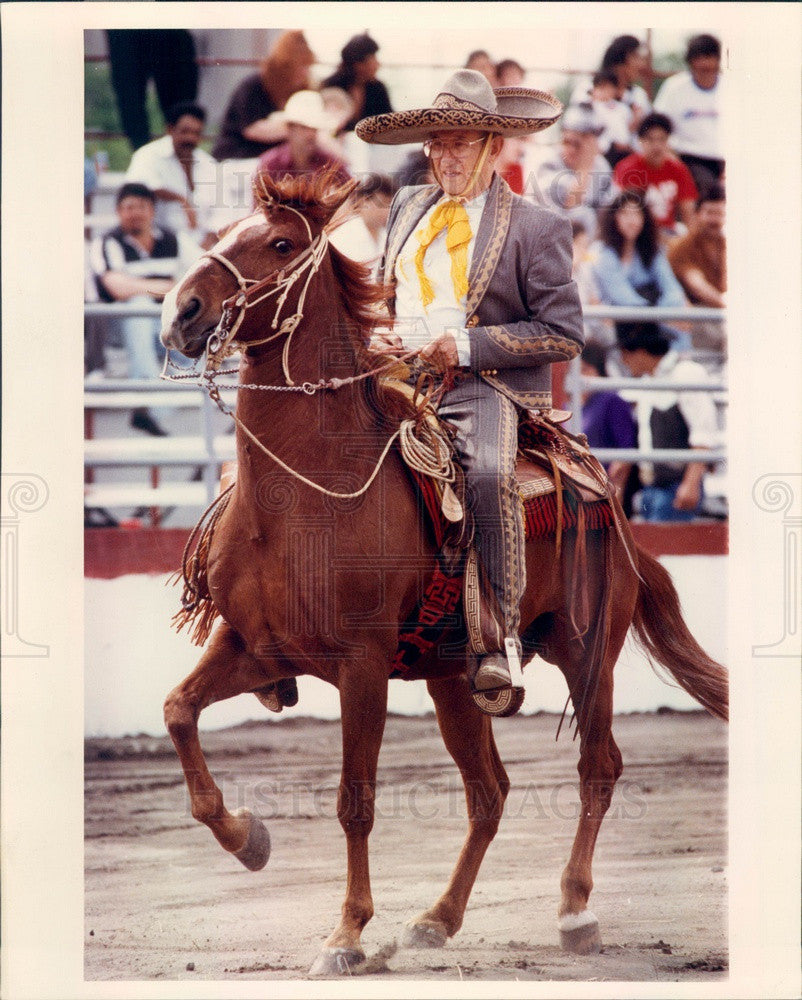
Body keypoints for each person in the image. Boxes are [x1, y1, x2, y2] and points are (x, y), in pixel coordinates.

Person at [356, 70, 584, 693]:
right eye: (436, 143)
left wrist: (460, 345)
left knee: (487, 472)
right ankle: (270, 628)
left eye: (458, 142)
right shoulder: (407, 205)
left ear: (492, 145)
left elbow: (562, 333)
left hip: (479, 384)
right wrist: (378, 330)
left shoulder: (538, 226)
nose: (444, 155)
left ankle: (497, 640)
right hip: (392, 374)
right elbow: (386, 294)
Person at [89, 183, 202, 435]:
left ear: (152, 210)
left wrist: (160, 288)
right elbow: (117, 287)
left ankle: (160, 405)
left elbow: (203, 270)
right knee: (138, 306)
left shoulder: (173, 239)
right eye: (128, 207)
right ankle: (151, 397)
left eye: (141, 206)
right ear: (118, 212)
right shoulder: (108, 242)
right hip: (117, 327)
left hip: (162, 324)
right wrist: (168, 286)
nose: (135, 212)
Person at [616, 321, 717, 521]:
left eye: (625, 354)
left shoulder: (685, 373)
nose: (623, 361)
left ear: (640, 352)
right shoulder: (649, 381)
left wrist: (691, 483)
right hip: (653, 488)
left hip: (675, 486)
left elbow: (704, 432)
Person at [125, 102, 219, 249]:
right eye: (185, 131)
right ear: (170, 129)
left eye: (196, 133)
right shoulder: (147, 155)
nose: (191, 138)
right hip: (159, 244)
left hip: (204, 246)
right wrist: (181, 199)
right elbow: (137, 190)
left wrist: (209, 240)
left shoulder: (208, 163)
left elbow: (220, 210)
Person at [212, 30, 315, 161]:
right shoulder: (253, 85)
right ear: (286, 65)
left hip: (274, 161)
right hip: (240, 157)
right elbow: (252, 130)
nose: (305, 73)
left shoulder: (300, 90)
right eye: (302, 66)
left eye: (308, 66)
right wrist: (297, 128)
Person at [653, 34, 724, 197]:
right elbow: (659, 125)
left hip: (726, 160)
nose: (705, 64)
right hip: (688, 159)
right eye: (699, 59)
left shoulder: (730, 88)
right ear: (691, 62)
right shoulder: (675, 87)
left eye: (710, 58)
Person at [106, 29, 198, 151]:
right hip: (127, 27)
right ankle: (143, 158)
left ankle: (178, 157)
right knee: (130, 101)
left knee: (182, 108)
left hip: (168, 26)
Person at [592, 190, 686, 309]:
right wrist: (652, 314)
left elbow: (672, 288)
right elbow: (623, 298)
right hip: (621, 319)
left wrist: (666, 309)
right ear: (613, 217)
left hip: (657, 315)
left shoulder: (652, 250)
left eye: (637, 214)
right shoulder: (604, 253)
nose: (632, 221)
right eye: (625, 214)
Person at [613, 112, 699, 236]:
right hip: (637, 235)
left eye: (662, 139)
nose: (657, 146)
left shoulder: (679, 169)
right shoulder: (628, 169)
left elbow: (689, 214)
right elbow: (622, 214)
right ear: (640, 141)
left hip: (668, 233)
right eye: (651, 140)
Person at [535, 102, 613, 239]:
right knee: (582, 213)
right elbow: (570, 203)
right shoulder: (549, 162)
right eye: (567, 142)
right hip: (548, 240)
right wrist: (586, 165)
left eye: (577, 144)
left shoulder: (601, 166)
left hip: (587, 247)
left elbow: (608, 214)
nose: (571, 149)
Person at [579, 341, 639, 514]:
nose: (580, 377)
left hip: (605, 494)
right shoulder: (577, 403)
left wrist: (615, 494)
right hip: (583, 491)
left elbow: (625, 452)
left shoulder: (611, 400)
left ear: (597, 370)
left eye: (585, 369)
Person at [255, 90, 351, 188]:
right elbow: (260, 201)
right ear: (290, 128)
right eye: (304, 128)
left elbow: (354, 196)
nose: (310, 134)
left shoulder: (330, 163)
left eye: (314, 128)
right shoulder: (270, 164)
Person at [667, 184, 726, 307]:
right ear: (697, 214)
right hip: (697, 311)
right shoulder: (683, 246)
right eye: (710, 213)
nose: (714, 219)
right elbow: (698, 286)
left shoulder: (729, 244)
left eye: (720, 213)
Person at [321, 33, 393, 134]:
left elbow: (390, 123)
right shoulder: (331, 86)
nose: (378, 64)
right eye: (373, 59)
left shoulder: (378, 88)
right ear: (358, 64)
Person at [329, 173, 394, 273]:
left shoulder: (389, 237)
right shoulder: (341, 236)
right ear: (362, 202)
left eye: (389, 205)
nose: (386, 211)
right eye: (380, 204)